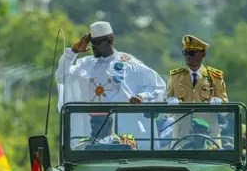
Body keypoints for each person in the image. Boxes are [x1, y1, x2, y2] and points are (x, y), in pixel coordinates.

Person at [56, 21, 166, 149]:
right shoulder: (85, 64)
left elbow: (157, 86)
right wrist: (73, 52)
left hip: (124, 133)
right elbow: (61, 77)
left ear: (110, 40)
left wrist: (141, 97)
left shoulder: (131, 64)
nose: (94, 46)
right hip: (91, 131)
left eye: (98, 42)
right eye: (93, 42)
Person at [167, 35, 228, 141]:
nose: (188, 56)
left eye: (192, 53)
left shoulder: (214, 77)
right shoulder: (176, 77)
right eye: (185, 53)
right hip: (182, 137)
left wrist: (220, 104)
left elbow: (226, 109)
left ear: (202, 54)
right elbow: (166, 110)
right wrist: (169, 103)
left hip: (209, 136)